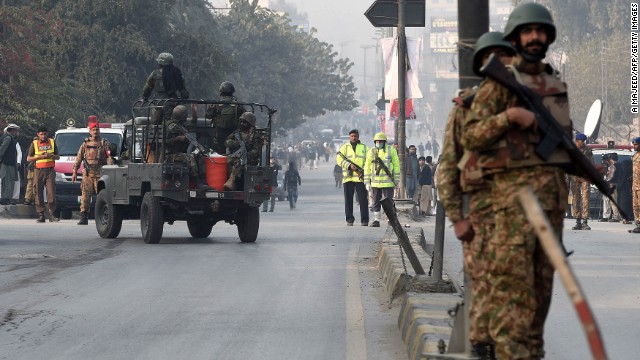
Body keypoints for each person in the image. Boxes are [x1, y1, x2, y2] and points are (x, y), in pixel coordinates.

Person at [460, 3, 575, 358]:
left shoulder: (556, 85)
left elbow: (561, 145)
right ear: (516, 37)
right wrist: (509, 116)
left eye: (541, 32)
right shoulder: (498, 84)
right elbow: (471, 136)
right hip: (512, 210)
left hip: (551, 209)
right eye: (528, 32)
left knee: (540, 302)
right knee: (514, 303)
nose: (535, 37)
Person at [437, 30, 516, 357]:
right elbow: (448, 168)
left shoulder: (528, 105)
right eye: (492, 58)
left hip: (523, 224)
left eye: (506, 56)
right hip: (483, 221)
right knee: (484, 298)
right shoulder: (465, 108)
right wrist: (457, 217)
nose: (502, 63)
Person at [71, 117, 115, 225]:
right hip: (88, 174)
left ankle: (106, 217)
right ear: (90, 131)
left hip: (101, 174)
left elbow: (109, 157)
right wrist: (74, 172)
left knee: (104, 197)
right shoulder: (85, 144)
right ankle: (83, 216)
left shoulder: (104, 143)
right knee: (85, 196)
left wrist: (110, 168)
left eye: (97, 129)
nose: (95, 132)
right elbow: (79, 158)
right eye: (93, 130)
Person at [164, 105, 210, 190]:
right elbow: (166, 141)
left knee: (200, 157)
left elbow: (192, 124)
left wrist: (194, 113)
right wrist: (178, 138)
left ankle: (204, 182)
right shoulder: (171, 126)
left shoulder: (181, 124)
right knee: (190, 158)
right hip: (170, 155)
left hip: (180, 154)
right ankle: (197, 182)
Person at [141, 52, 189, 124]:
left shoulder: (154, 74)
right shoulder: (177, 73)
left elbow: (147, 88)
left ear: (160, 63)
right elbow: (182, 89)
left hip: (157, 103)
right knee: (171, 123)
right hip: (173, 102)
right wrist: (184, 98)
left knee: (155, 124)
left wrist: (144, 98)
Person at [364, 132, 399, 227]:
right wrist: (367, 182)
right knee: (375, 202)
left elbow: (396, 165)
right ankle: (376, 220)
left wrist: (396, 180)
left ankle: (391, 219)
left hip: (388, 182)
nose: (379, 143)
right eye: (377, 141)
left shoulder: (391, 150)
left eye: (381, 141)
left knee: (389, 201)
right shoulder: (371, 151)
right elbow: (367, 167)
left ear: (384, 142)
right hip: (375, 183)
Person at [27, 126, 60, 223]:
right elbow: (29, 158)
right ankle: (41, 214)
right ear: (38, 134)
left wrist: (51, 156)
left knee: (51, 193)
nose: (43, 136)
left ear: (47, 133)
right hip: (38, 170)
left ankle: (52, 214)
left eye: (45, 134)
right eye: (41, 134)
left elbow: (58, 157)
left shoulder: (52, 142)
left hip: (50, 171)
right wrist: (39, 157)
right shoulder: (34, 143)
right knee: (37, 192)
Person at [336, 129, 369, 226]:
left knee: (363, 200)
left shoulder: (364, 148)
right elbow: (339, 159)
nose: (353, 138)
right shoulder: (344, 147)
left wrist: (363, 171)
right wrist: (349, 166)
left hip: (360, 178)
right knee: (348, 200)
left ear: (358, 136)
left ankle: (364, 220)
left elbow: (369, 160)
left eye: (355, 136)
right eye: (352, 136)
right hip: (348, 178)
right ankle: (349, 219)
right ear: (349, 137)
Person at [224, 112, 264, 191]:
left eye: (245, 122)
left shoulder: (255, 136)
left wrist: (245, 154)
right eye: (241, 121)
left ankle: (232, 181)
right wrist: (235, 143)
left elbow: (257, 151)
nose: (242, 124)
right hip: (235, 155)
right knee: (224, 160)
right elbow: (226, 142)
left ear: (250, 123)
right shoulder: (237, 133)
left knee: (238, 162)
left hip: (249, 159)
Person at [206, 81, 245, 155]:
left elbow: (208, 116)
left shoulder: (216, 105)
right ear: (232, 92)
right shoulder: (238, 106)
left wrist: (210, 108)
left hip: (218, 139)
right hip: (233, 140)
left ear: (221, 92)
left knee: (219, 157)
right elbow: (244, 117)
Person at [570, 133, 594, 230]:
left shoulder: (588, 150)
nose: (582, 143)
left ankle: (585, 221)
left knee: (585, 199)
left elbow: (592, 163)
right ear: (577, 141)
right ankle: (577, 221)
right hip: (574, 178)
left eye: (583, 142)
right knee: (576, 199)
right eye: (581, 142)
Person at [0, 123, 20, 205]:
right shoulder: (8, 138)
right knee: (9, 181)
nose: (16, 132)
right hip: (8, 164)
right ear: (11, 130)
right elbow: (2, 150)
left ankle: (4, 198)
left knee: (5, 181)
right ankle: (6, 198)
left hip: (6, 163)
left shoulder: (7, 137)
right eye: (15, 130)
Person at [600, 153, 620, 222]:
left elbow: (609, 177)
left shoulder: (612, 167)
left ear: (611, 159)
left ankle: (613, 216)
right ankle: (611, 216)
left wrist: (603, 179)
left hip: (610, 185)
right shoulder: (619, 165)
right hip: (614, 185)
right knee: (609, 201)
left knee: (609, 201)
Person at [630, 137, 640, 233]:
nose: (634, 146)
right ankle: (638, 224)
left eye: (636, 144)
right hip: (635, 185)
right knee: (635, 206)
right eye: (634, 144)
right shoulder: (635, 155)